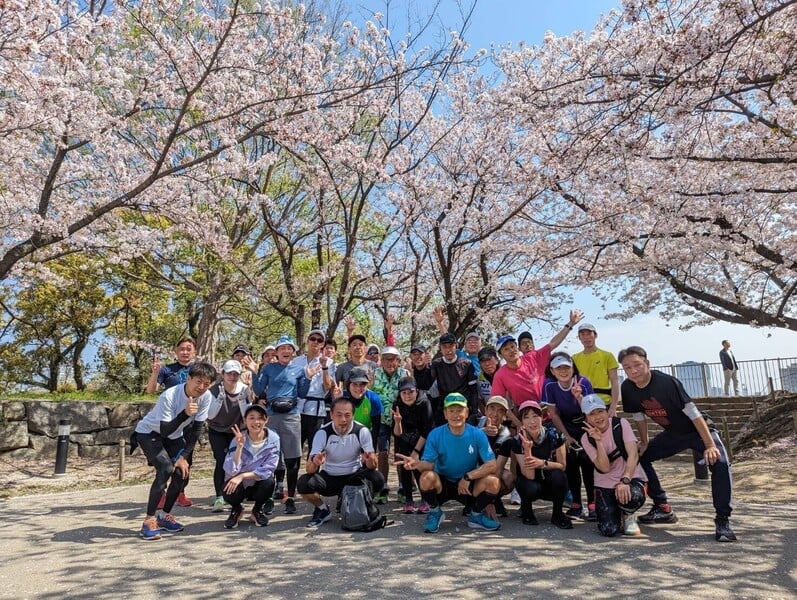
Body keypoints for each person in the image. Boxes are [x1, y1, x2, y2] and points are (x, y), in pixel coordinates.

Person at [619, 346, 737, 542]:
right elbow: (639, 416)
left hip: (699, 431)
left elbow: (694, 413)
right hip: (673, 434)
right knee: (640, 457)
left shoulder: (666, 382)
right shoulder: (627, 388)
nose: (633, 371)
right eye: (627, 367)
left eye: (637, 365)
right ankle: (662, 507)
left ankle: (723, 520)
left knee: (721, 464)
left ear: (647, 363)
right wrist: (644, 442)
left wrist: (710, 445)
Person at [396, 393, 502, 533]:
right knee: (426, 477)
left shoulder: (477, 434)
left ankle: (476, 515)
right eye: (451, 411)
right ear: (445, 414)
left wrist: (468, 477)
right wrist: (417, 464)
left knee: (493, 482)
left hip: (467, 485)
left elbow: (492, 464)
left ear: (466, 413)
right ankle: (435, 512)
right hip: (443, 484)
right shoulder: (435, 434)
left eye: (459, 410)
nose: (456, 415)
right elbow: (429, 465)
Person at [134, 362, 217, 540]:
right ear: (188, 379)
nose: (201, 387)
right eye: (198, 381)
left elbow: (196, 430)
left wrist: (184, 456)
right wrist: (185, 413)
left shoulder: (206, 397)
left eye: (206, 383)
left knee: (181, 472)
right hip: (149, 433)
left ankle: (164, 516)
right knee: (165, 468)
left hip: (175, 435)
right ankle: (148, 521)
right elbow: (165, 430)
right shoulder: (170, 395)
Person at [297, 397, 385, 528]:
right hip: (330, 477)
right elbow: (309, 470)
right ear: (331, 415)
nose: (343, 420)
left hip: (354, 477)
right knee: (304, 483)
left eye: (347, 415)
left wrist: (370, 459)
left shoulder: (362, 431)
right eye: (339, 415)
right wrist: (315, 462)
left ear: (353, 415)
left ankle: (359, 503)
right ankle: (322, 509)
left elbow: (372, 465)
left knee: (377, 478)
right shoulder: (322, 433)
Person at [252, 336, 312, 515]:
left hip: (291, 416)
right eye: (282, 348)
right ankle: (268, 498)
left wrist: (308, 377)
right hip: (271, 416)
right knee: (271, 458)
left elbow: (302, 393)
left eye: (289, 348)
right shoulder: (269, 368)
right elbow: (258, 390)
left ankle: (290, 497)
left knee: (292, 459)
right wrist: (254, 372)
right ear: (276, 352)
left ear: (293, 352)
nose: (286, 351)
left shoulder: (299, 369)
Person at [580, 394, 647, 537]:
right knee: (608, 529)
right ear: (586, 418)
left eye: (600, 411)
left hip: (629, 477)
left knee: (634, 496)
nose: (598, 417)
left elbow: (633, 455)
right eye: (592, 414)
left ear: (606, 411)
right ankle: (616, 512)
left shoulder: (621, 424)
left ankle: (628, 514)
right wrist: (598, 441)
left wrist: (625, 480)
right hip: (605, 482)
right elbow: (604, 468)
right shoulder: (586, 439)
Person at [144, 337, 200, 508]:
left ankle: (180, 492)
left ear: (194, 352)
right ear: (176, 351)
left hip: (189, 421)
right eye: (182, 349)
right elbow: (150, 390)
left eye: (189, 349)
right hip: (169, 422)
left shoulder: (198, 370)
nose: (185, 352)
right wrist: (155, 373)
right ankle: (161, 493)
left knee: (185, 458)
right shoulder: (167, 370)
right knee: (165, 461)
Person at [498, 400, 572, 529]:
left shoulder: (555, 435)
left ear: (542, 417)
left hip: (549, 480)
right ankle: (527, 510)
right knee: (529, 485)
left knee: (560, 476)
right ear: (522, 421)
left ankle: (558, 513)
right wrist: (528, 451)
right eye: (526, 417)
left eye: (535, 416)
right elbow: (529, 476)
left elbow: (562, 465)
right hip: (529, 482)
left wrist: (542, 463)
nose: (532, 421)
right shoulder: (518, 441)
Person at [542, 352, 596, 521]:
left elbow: (591, 413)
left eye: (566, 367)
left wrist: (579, 398)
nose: (563, 371)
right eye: (558, 368)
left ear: (573, 368)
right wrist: (566, 436)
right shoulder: (549, 385)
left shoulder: (583, 382)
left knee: (587, 462)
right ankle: (576, 503)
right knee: (571, 462)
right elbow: (553, 413)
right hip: (565, 425)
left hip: (586, 424)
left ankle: (593, 503)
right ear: (552, 370)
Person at [490, 309, 584, 407]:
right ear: (500, 355)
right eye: (506, 349)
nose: (511, 350)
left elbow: (553, 343)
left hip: (549, 406)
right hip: (526, 412)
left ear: (517, 348)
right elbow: (497, 402)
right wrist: (514, 417)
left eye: (512, 346)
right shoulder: (500, 375)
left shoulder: (533, 357)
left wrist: (570, 324)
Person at [207, 360, 255, 513]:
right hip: (217, 430)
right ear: (223, 374)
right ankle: (219, 496)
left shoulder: (244, 389)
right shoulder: (214, 390)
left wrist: (242, 401)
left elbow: (247, 415)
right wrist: (220, 399)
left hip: (237, 431)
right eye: (229, 373)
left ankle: (238, 493)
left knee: (238, 460)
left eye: (236, 374)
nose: (232, 377)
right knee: (221, 461)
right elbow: (210, 415)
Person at [222, 404, 280, 529]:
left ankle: (257, 510)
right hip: (240, 485)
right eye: (252, 418)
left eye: (260, 418)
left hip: (257, 482)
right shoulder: (238, 439)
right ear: (245, 420)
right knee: (229, 486)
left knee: (269, 482)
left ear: (266, 420)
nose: (256, 422)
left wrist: (243, 476)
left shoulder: (273, 439)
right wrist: (239, 447)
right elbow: (230, 470)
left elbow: (269, 468)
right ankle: (236, 509)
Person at [371, 345, 409, 504]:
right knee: (383, 452)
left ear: (398, 361)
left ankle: (403, 486)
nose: (389, 362)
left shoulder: (405, 374)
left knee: (400, 452)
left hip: (400, 418)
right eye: (386, 359)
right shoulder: (375, 374)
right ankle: (383, 486)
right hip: (380, 419)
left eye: (393, 359)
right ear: (381, 360)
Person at [392, 376, 434, 514]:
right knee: (405, 466)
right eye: (404, 392)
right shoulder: (397, 405)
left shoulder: (424, 403)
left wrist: (416, 451)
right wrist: (397, 422)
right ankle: (408, 500)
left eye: (410, 392)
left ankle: (425, 499)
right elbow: (397, 433)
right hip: (404, 438)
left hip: (422, 439)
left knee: (419, 467)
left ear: (416, 391)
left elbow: (427, 430)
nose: (407, 396)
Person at [292, 329, 335, 456]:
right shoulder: (296, 361)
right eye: (313, 339)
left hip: (316, 410)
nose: (315, 342)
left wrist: (324, 368)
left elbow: (327, 387)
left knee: (315, 450)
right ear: (307, 341)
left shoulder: (329, 362)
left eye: (319, 340)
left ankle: (313, 469)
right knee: (294, 449)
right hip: (297, 408)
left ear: (323, 345)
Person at [430, 332, 480, 425]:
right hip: (445, 408)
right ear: (440, 348)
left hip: (463, 407)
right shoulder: (436, 364)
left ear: (456, 346)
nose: (448, 350)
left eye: (451, 346)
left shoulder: (467, 364)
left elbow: (473, 391)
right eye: (445, 347)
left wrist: (474, 412)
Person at [476, 395, 514, 517]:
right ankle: (472, 503)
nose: (495, 414)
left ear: (505, 416)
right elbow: (462, 438)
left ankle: (492, 499)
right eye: (492, 408)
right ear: (486, 410)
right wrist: (482, 432)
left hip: (493, 469)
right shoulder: (474, 421)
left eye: (500, 410)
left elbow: (499, 466)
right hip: (471, 468)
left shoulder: (506, 435)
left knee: (509, 477)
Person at [572, 323, 620, 416]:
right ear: (579, 338)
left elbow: (614, 382)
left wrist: (614, 406)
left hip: (604, 402)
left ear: (595, 335)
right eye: (583, 335)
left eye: (589, 334)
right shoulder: (574, 358)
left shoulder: (607, 356)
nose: (586, 337)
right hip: (584, 402)